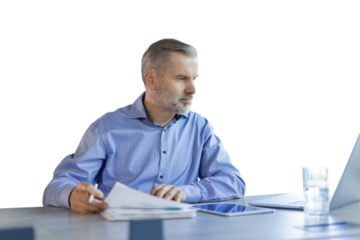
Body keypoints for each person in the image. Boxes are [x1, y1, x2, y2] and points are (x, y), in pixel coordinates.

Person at [42, 36, 247, 213]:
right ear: (151, 79)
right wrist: (71, 196)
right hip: (119, 232)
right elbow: (56, 186)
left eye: (195, 79)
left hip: (183, 232)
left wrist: (186, 192)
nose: (193, 89)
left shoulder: (200, 126)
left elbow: (234, 181)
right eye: (181, 78)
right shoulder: (107, 126)